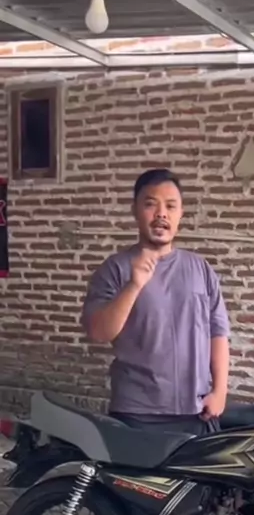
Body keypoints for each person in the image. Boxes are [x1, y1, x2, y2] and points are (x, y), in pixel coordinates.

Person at [81, 168, 230, 436]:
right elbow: (99, 332)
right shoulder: (115, 269)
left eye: (170, 206)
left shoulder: (200, 269)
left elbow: (217, 332)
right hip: (137, 413)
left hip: (197, 410)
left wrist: (220, 391)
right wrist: (134, 285)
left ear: (180, 213)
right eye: (151, 204)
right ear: (135, 210)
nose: (161, 213)